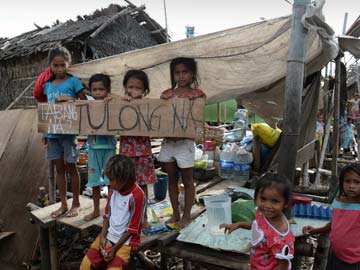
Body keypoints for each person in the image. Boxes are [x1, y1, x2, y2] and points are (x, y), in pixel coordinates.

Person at [158, 57, 206, 228]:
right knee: (171, 178)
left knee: (187, 179)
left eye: (185, 72)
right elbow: (161, 117)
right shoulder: (167, 95)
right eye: (177, 72)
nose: (181, 76)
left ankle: (186, 215)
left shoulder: (197, 95)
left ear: (192, 74)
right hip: (168, 142)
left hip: (185, 143)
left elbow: (198, 119)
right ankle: (175, 213)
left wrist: (199, 133)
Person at [40, 46, 86, 218]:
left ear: (69, 64)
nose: (59, 69)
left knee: (71, 168)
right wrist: (44, 133)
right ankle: (63, 204)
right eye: (55, 65)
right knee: (59, 169)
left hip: (68, 134)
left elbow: (84, 102)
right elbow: (46, 111)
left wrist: (70, 99)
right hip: (52, 134)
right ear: (50, 66)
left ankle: (76, 203)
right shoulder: (47, 86)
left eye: (62, 65)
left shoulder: (73, 82)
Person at [80, 155, 146, 270]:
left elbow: (132, 229)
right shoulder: (113, 191)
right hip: (109, 236)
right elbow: (107, 216)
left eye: (111, 179)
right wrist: (102, 236)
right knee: (85, 266)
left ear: (123, 179)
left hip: (126, 242)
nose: (109, 183)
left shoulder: (137, 196)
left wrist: (114, 249)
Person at [220, 173, 295, 270]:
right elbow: (258, 225)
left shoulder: (281, 239)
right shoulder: (263, 213)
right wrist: (239, 224)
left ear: (285, 203)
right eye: (263, 199)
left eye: (275, 201)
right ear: (256, 197)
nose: (267, 205)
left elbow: (283, 265)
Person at [302, 164, 360, 270]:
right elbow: (334, 224)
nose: (351, 186)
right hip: (335, 254)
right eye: (347, 181)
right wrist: (316, 230)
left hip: (354, 260)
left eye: (357, 182)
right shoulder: (338, 201)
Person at [119, 69, 157, 229]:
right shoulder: (121, 103)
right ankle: (128, 218)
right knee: (126, 185)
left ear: (144, 90)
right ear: (125, 87)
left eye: (138, 88)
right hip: (126, 152)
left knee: (142, 186)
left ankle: (143, 218)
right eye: (130, 87)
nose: (133, 91)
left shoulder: (148, 105)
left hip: (142, 153)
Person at [84, 74, 117, 221]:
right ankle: (96, 209)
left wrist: (111, 102)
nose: (97, 92)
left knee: (111, 181)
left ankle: (110, 210)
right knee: (94, 181)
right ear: (90, 90)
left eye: (101, 89)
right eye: (94, 89)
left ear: (108, 90)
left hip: (109, 148)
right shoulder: (87, 106)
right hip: (93, 148)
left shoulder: (112, 103)